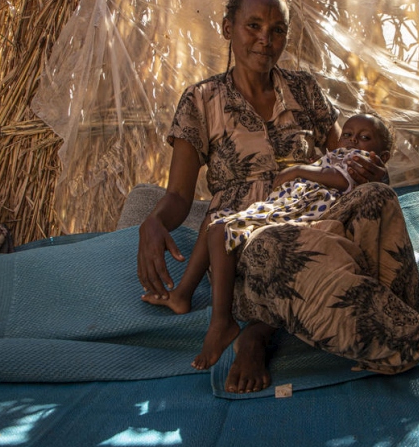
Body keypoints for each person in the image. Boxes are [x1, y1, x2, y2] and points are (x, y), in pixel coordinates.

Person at [137, 0, 419, 425]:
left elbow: (344, 160)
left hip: (315, 209)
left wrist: (370, 171)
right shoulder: (200, 99)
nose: (264, 39)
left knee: (376, 199)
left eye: (276, 29)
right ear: (227, 27)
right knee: (278, 252)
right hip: (248, 232)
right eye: (253, 25)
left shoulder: (304, 89)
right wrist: (154, 221)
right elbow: (178, 195)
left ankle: (283, 325)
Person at [143, 113, 394, 370]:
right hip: (281, 206)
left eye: (364, 138)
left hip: (302, 214)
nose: (352, 141)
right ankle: (183, 294)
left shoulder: (360, 160)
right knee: (214, 225)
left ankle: (223, 322)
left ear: (382, 156)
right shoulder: (202, 100)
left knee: (222, 231)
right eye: (347, 135)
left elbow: (344, 179)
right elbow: (176, 194)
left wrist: (299, 170)